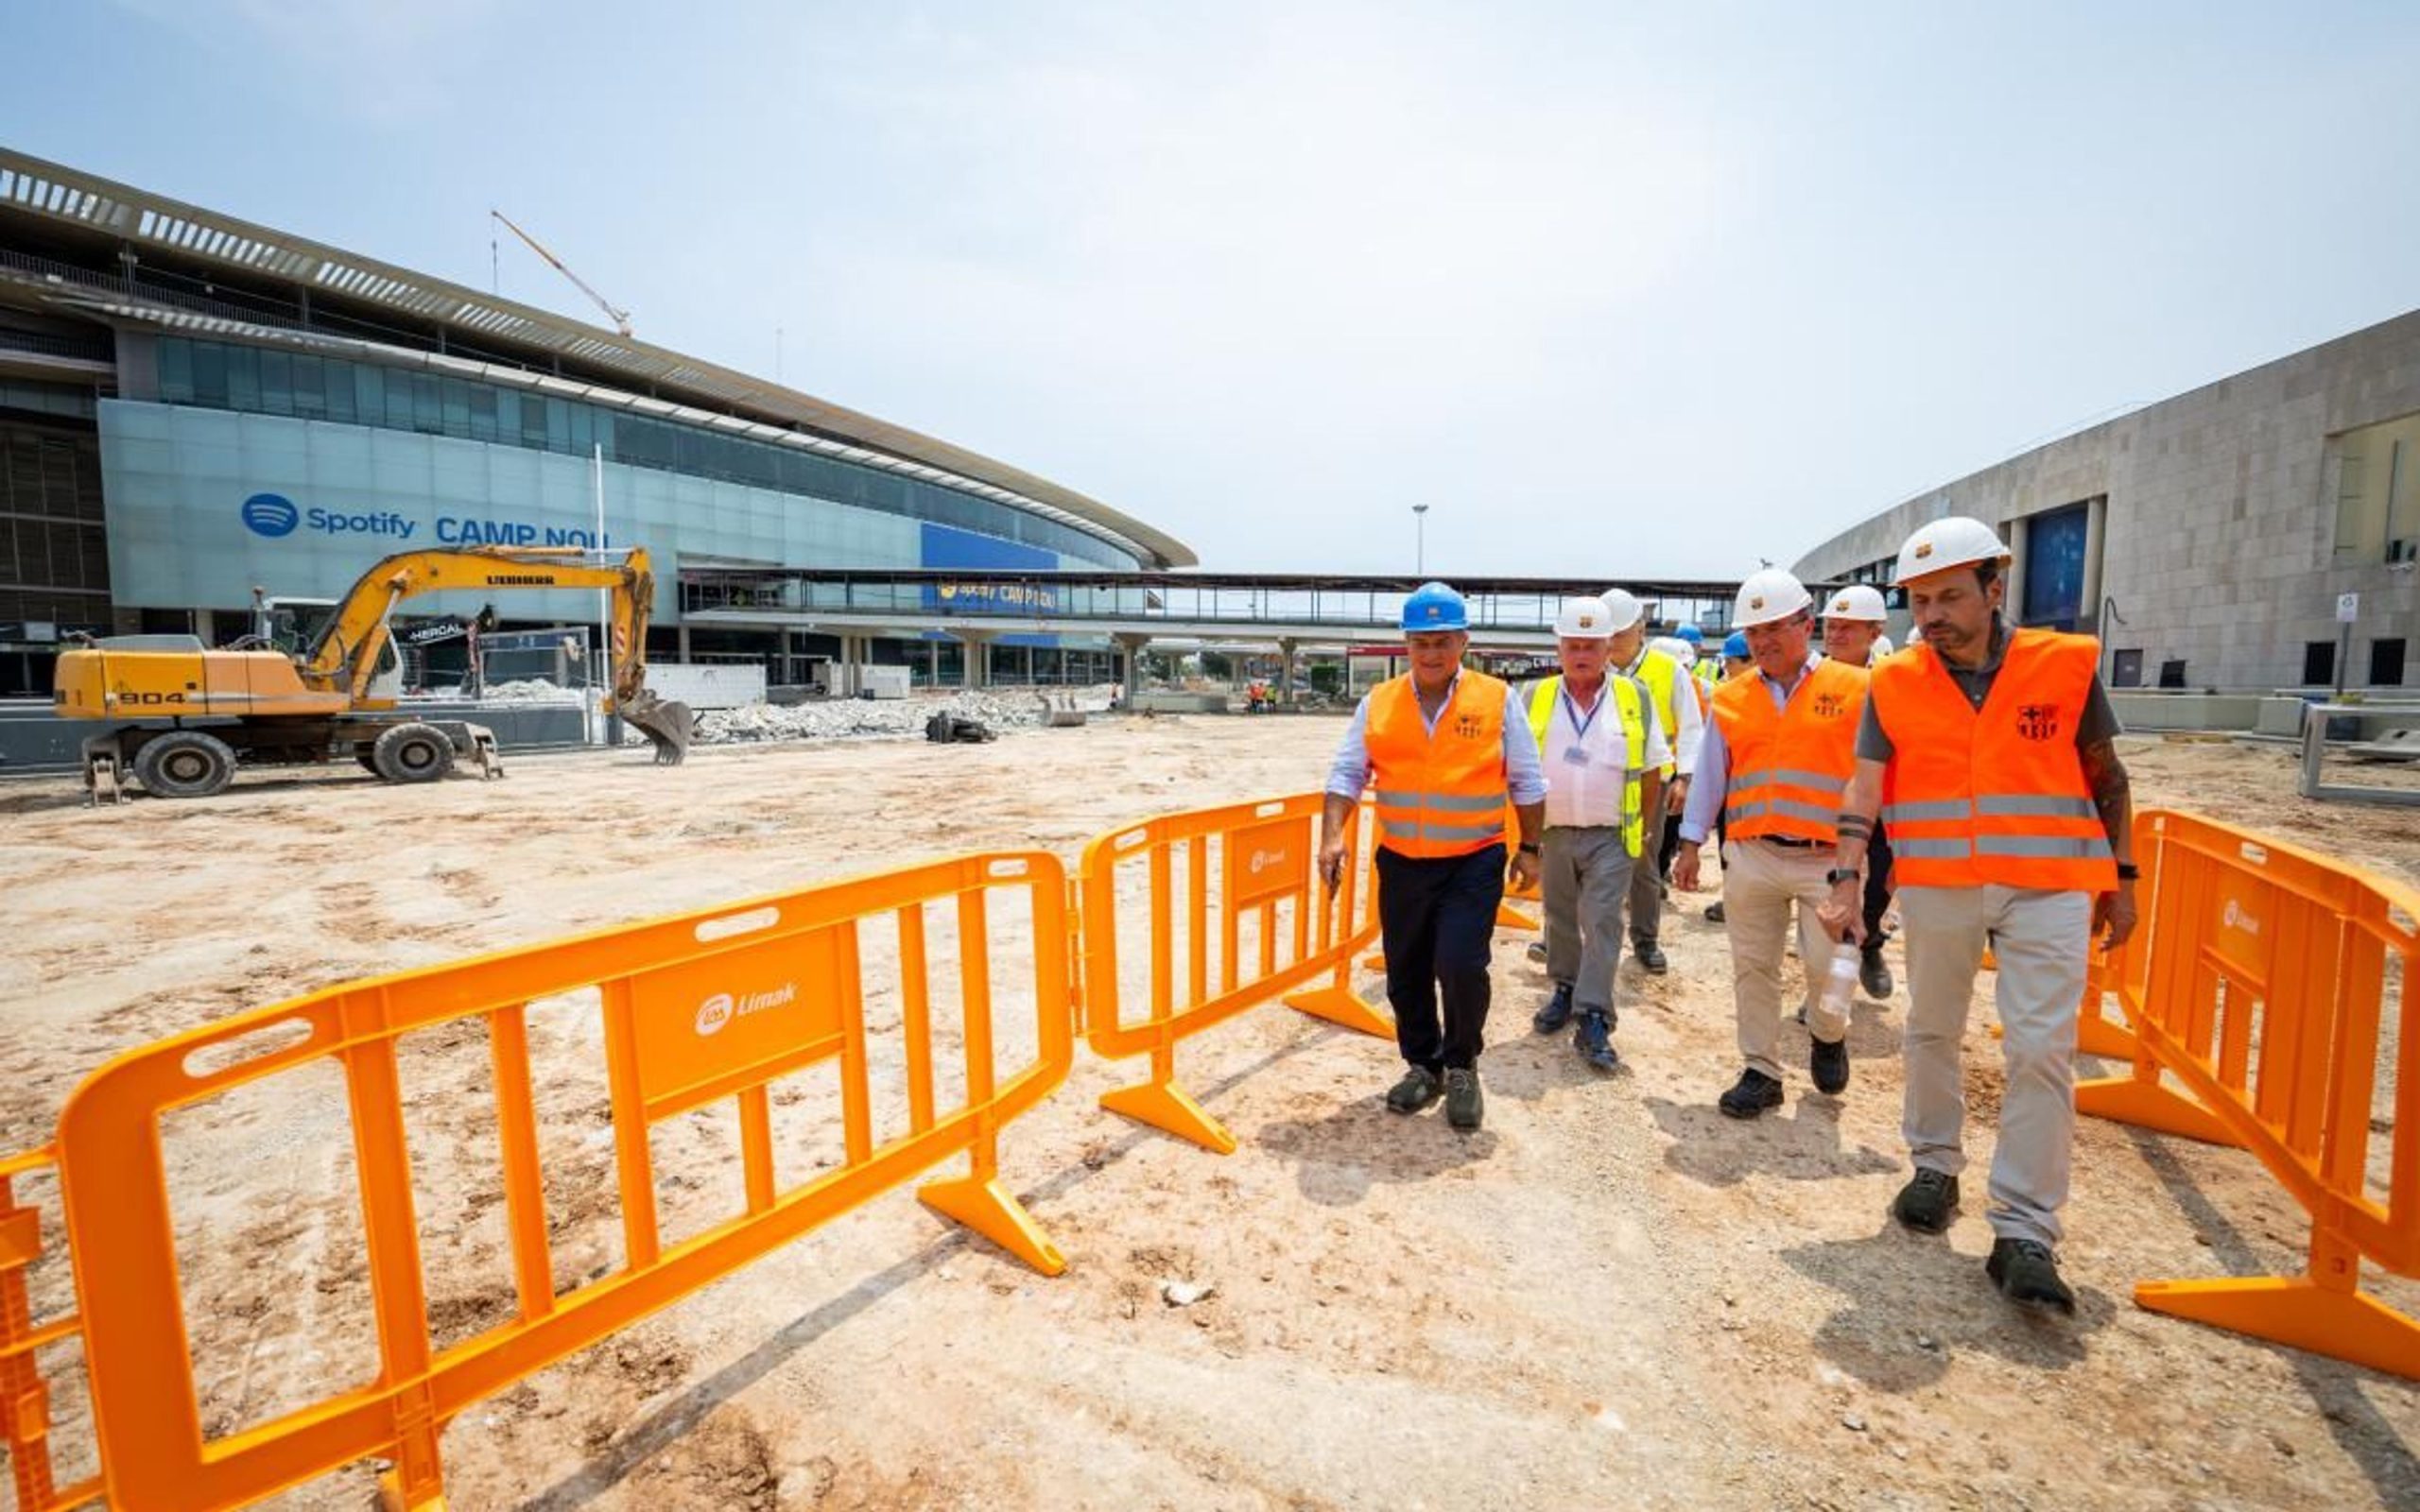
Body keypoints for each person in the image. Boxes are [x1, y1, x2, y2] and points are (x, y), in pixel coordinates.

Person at [1819, 517, 2135, 1314]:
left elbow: (2109, 777)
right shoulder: (1893, 683)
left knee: (2040, 1052)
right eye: (1919, 601)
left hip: (2049, 887)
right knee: (1931, 1028)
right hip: (1940, 885)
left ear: (1995, 588)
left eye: (1950, 596)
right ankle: (1935, 1167)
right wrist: (1847, 878)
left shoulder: (2063, 666)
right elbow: (1864, 788)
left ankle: (2025, 1232)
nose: (1931, 616)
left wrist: (2124, 878)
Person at [1321, 581, 1547, 1132]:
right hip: (1402, 862)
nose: (1431, 653)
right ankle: (1423, 1064)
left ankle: (1462, 1063)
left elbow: (1527, 779)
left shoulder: (1498, 699)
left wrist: (1533, 849)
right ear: (1406, 643)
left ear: (1463, 642)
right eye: (1421, 642)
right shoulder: (1379, 702)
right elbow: (1348, 773)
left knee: (1461, 965)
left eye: (1442, 641)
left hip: (1472, 859)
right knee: (1406, 971)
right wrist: (1333, 835)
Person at [1672, 569, 1869, 1118]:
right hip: (1754, 853)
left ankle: (1829, 1032)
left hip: (1829, 859)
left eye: (1774, 628)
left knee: (1829, 965)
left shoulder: (1854, 688)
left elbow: (1876, 774)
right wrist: (1690, 843)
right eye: (1753, 632)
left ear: (1807, 625)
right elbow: (1712, 775)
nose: (1762, 642)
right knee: (1752, 965)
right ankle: (1761, 1069)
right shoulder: (1732, 697)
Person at [1525, 594, 1666, 1072]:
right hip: (1554, 831)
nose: (1581, 654)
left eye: (1591, 645)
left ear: (1609, 647)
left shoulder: (1634, 697)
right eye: (1573, 645)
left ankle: (1594, 1016)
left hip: (1611, 835)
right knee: (1559, 917)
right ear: (1559, 648)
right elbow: (1520, 768)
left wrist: (1642, 828)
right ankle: (1564, 988)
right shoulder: (1536, 697)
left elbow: (1651, 768)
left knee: (1603, 920)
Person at [1600, 589, 1702, 975]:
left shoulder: (1667, 670)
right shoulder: (1594, 667)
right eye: (1607, 635)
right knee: (1581, 858)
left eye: (1620, 634)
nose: (1611, 643)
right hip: (1600, 779)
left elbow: (1692, 726)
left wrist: (1684, 778)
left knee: (1643, 862)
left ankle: (1645, 938)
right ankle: (1565, 938)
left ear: (1640, 630)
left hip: (1650, 783)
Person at [1821, 584, 1900, 1003]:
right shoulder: (1810, 679)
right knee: (1831, 891)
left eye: (1847, 628)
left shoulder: (1893, 681)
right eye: (1831, 627)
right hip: (1826, 808)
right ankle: (1825, 986)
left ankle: (1869, 947)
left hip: (1882, 806)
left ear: (1875, 632)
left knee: (1877, 888)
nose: (1835, 635)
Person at [1700, 629, 1754, 925]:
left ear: (1749, 662)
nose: (1725, 669)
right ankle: (1734, 897)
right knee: (1728, 848)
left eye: (1730, 663)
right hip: (1730, 789)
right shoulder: (1727, 696)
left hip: (1755, 793)